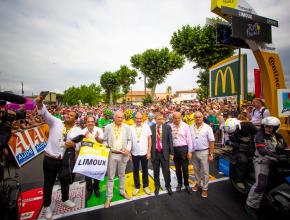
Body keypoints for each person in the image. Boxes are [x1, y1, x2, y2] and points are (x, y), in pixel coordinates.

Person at [35, 95, 83, 219]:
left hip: (65, 160)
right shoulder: (55, 122)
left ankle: (65, 199)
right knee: (48, 184)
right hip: (50, 159)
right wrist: (40, 103)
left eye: (71, 115)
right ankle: (47, 207)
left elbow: (78, 148)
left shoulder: (78, 131)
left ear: (76, 119)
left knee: (65, 182)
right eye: (67, 114)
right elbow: (44, 113)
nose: (67, 116)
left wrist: (73, 145)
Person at [245, 116, 287, 217]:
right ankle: (250, 205)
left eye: (271, 127)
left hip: (275, 160)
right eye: (266, 126)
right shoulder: (259, 135)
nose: (268, 129)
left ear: (275, 128)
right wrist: (275, 155)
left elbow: (285, 146)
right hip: (262, 161)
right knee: (261, 184)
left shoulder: (278, 136)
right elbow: (261, 150)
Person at [103, 111, 131, 208]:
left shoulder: (127, 127)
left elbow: (129, 140)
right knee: (110, 177)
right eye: (118, 117)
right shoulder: (107, 127)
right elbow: (105, 140)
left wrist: (127, 149)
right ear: (114, 118)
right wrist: (107, 147)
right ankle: (109, 197)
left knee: (122, 175)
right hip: (112, 155)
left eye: (121, 117)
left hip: (123, 155)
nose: (120, 119)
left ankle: (122, 191)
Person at [224, 118, 257, 189]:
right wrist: (240, 144)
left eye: (233, 132)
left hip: (254, 146)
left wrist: (249, 138)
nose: (232, 134)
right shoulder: (230, 130)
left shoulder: (249, 125)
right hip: (240, 148)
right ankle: (239, 180)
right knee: (243, 160)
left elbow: (258, 134)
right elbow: (233, 141)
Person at [190, 111, 215, 198]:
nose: (198, 118)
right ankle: (197, 183)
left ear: (202, 117)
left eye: (199, 117)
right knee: (196, 170)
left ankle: (205, 188)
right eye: (196, 117)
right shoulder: (190, 127)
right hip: (194, 152)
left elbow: (211, 141)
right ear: (194, 118)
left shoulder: (208, 128)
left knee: (205, 171)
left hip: (204, 152)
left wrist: (211, 154)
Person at [150, 113, 174, 196]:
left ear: (163, 119)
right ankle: (157, 186)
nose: (160, 120)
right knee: (156, 171)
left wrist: (171, 153)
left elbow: (170, 140)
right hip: (155, 152)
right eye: (158, 119)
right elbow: (149, 141)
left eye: (161, 119)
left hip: (165, 152)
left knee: (166, 171)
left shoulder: (167, 127)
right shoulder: (151, 128)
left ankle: (168, 186)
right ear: (155, 119)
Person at [82, 116, 104, 200]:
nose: (90, 123)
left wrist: (96, 138)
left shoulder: (99, 130)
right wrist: (86, 139)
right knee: (87, 175)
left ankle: (96, 188)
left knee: (97, 173)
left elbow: (101, 142)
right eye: (88, 121)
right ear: (86, 123)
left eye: (92, 121)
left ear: (94, 122)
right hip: (87, 156)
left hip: (97, 156)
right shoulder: (83, 131)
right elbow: (82, 145)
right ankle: (89, 190)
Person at [170, 112, 193, 193]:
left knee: (185, 168)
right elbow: (169, 140)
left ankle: (187, 184)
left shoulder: (186, 126)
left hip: (184, 149)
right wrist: (171, 152)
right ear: (173, 118)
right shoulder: (170, 126)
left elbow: (189, 139)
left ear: (181, 118)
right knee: (177, 169)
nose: (177, 120)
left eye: (178, 118)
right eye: (175, 118)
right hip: (175, 150)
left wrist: (190, 151)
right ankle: (179, 184)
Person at [130, 112, 152, 196]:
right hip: (134, 153)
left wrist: (149, 152)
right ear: (134, 119)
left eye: (140, 118)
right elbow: (129, 141)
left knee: (145, 169)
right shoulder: (130, 128)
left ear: (142, 118)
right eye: (137, 118)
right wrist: (129, 153)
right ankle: (137, 186)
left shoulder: (146, 127)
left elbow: (149, 139)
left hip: (144, 152)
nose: (139, 120)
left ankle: (145, 186)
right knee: (135, 170)